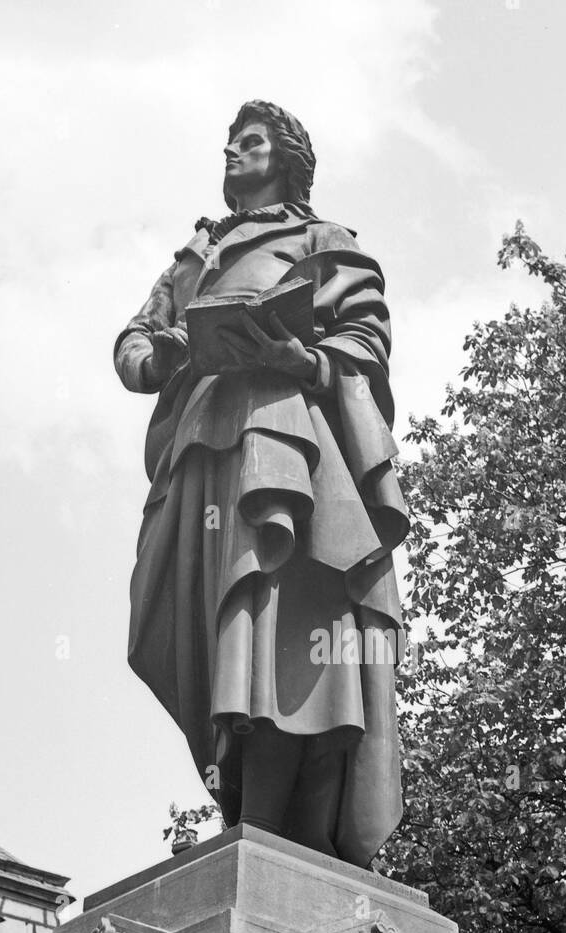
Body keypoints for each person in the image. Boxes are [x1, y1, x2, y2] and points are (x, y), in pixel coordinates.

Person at [114, 100, 407, 868]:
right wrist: (160, 357)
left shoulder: (320, 239)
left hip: (285, 445)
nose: (232, 152)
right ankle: (245, 809)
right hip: (201, 454)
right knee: (199, 630)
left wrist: (299, 360)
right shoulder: (193, 255)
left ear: (286, 158)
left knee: (276, 632)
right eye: (229, 143)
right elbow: (135, 340)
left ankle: (271, 826)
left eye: (249, 142)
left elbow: (364, 345)